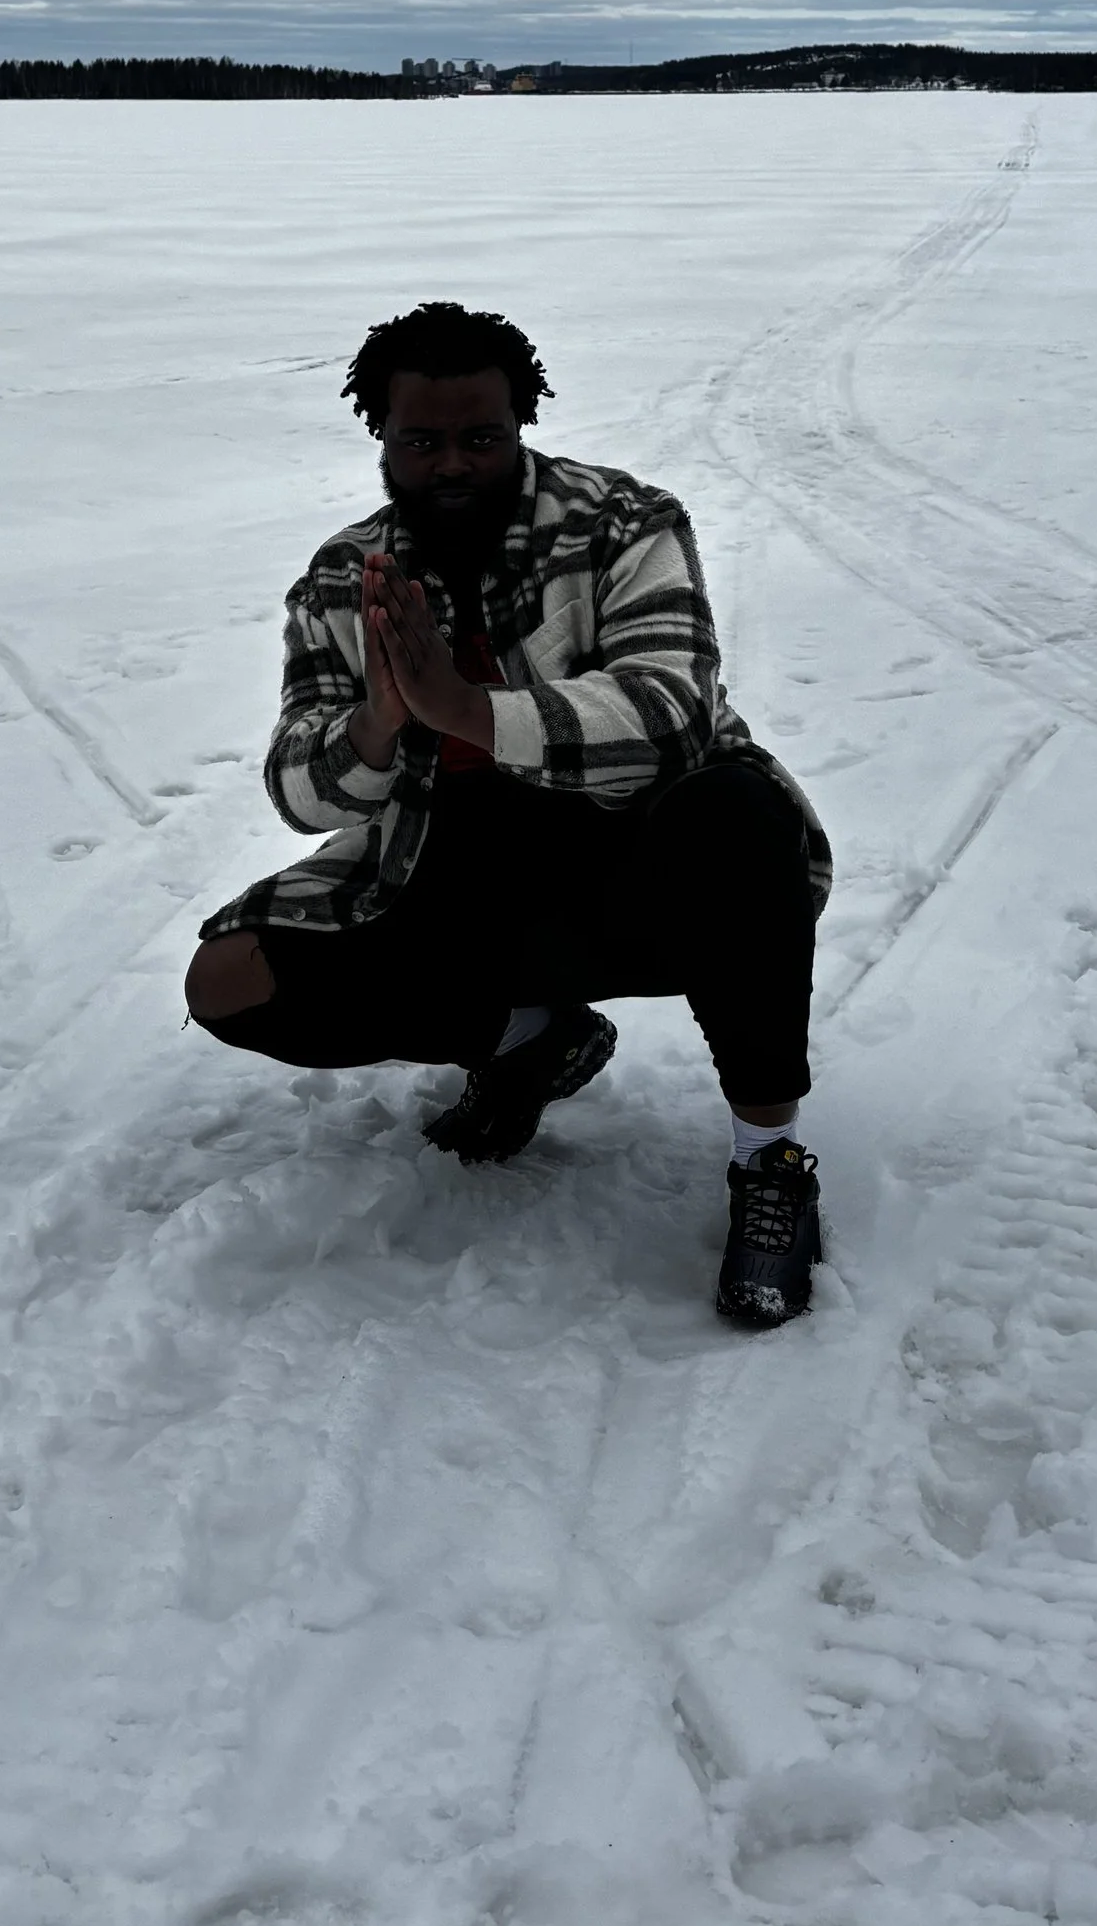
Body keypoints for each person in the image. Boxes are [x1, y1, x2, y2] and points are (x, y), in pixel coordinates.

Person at [185, 300, 833, 1328]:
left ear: (521, 421)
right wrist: (376, 724)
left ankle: (770, 1160)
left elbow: (672, 712)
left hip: (646, 871)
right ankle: (534, 1038)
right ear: (381, 436)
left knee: (738, 807)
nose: (452, 463)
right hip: (459, 875)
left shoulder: (622, 523)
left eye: (480, 437)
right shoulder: (344, 578)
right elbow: (300, 793)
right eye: (422, 441)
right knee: (230, 980)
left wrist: (467, 710)